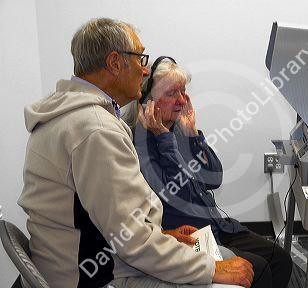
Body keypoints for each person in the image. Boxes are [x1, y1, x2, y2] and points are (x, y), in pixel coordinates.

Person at [18, 18, 254, 288]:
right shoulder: (96, 130)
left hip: (81, 261)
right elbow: (132, 239)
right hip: (94, 276)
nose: (144, 71)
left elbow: (117, 220)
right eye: (141, 58)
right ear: (115, 63)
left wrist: (162, 233)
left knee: (228, 259)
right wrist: (208, 269)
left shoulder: (70, 115)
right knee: (231, 280)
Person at [126, 57, 292, 288]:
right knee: (259, 269)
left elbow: (215, 177)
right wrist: (165, 140)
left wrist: (194, 136)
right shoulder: (139, 144)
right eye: (172, 93)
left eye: (183, 91)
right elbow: (178, 193)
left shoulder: (179, 131)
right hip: (189, 236)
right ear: (148, 102)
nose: (181, 100)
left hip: (219, 227)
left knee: (281, 259)